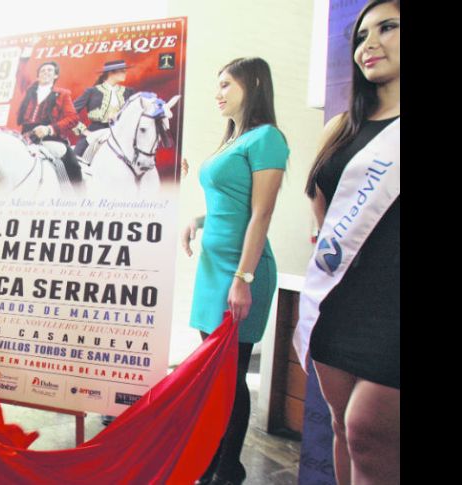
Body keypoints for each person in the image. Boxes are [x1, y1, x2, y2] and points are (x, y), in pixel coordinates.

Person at [295, 1, 400, 484]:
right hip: (338, 305)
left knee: (366, 433)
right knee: (341, 428)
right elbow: (321, 206)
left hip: (393, 309)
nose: (369, 45)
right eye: (360, 36)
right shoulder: (341, 127)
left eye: (388, 28)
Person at [181, 57, 289, 485]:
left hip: (241, 272)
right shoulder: (233, 140)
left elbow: (261, 214)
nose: (218, 93)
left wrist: (243, 279)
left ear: (254, 84)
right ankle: (212, 460)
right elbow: (230, 206)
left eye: (226, 84)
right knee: (214, 377)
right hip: (213, 273)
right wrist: (197, 221)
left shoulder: (267, 138)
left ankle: (228, 470)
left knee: (230, 376)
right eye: (218, 84)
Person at [16, 61, 83, 187]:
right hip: (26, 139)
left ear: (55, 75)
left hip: (51, 139)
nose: (45, 72)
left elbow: (73, 118)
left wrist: (49, 129)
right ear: (38, 76)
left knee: (73, 166)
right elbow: (21, 75)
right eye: (42, 70)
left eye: (49, 70)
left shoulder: (63, 94)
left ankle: (77, 196)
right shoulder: (29, 91)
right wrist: (24, 57)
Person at [72, 60, 136, 157]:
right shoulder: (92, 92)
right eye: (122, 71)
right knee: (76, 157)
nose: (125, 73)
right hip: (95, 132)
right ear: (110, 73)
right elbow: (69, 113)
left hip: (121, 132)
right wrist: (84, 131)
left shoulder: (128, 92)